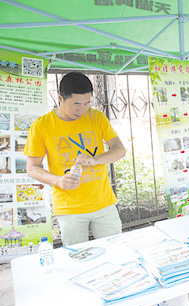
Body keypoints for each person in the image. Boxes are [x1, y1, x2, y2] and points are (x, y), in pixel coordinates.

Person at [25, 72, 126, 246]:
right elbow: (32, 168)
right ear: (60, 98)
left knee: (116, 251)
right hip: (69, 208)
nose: (82, 109)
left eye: (87, 103)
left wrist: (96, 159)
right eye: (76, 104)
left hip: (104, 203)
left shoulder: (97, 117)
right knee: (77, 257)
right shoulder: (41, 126)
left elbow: (119, 150)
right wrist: (58, 180)